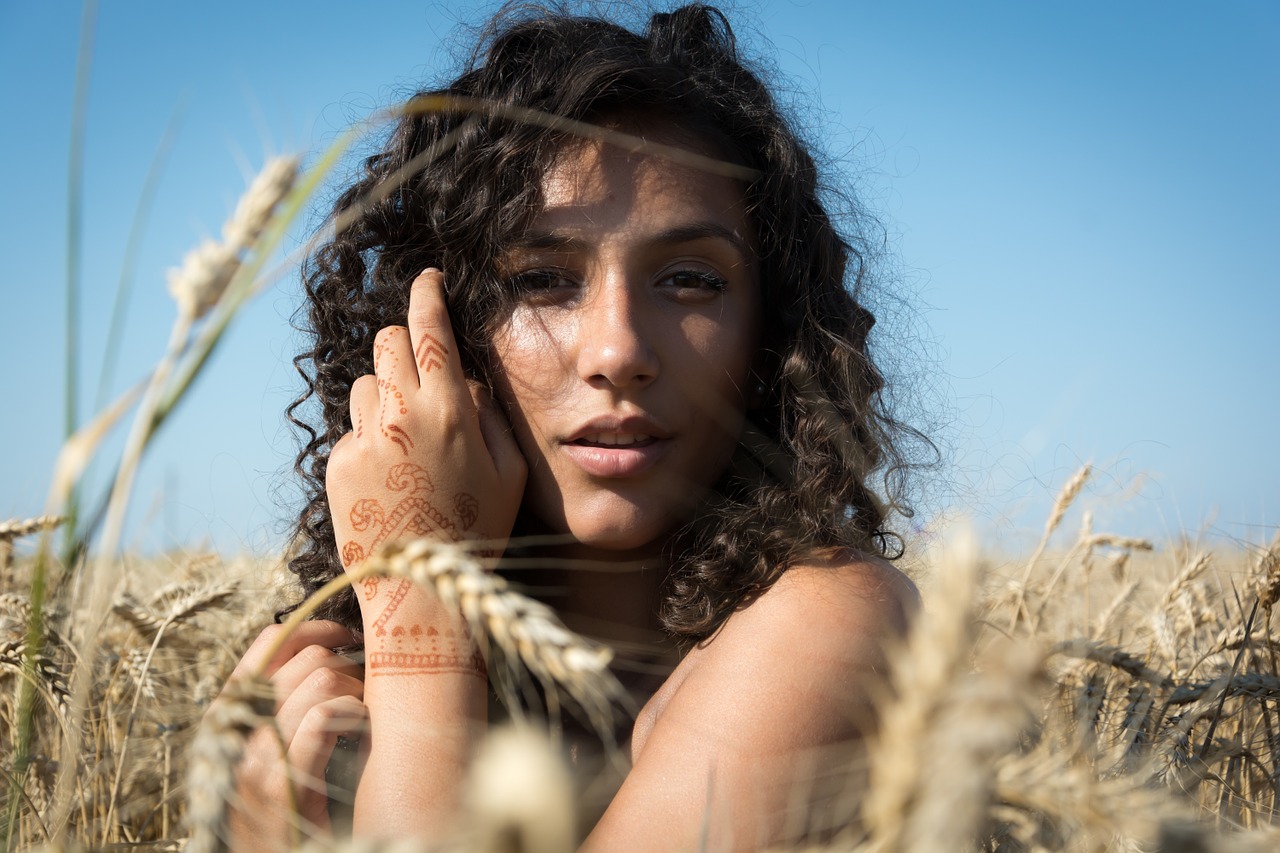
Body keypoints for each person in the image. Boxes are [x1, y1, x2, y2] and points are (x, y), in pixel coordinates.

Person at [222, 4, 922, 850]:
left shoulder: (828, 624)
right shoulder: (322, 682)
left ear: (771, 331)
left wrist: (426, 623)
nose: (619, 349)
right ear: (436, 336)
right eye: (543, 279)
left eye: (691, 279)